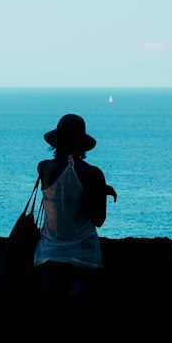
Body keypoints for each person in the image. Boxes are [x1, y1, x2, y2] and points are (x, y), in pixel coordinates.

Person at [34, 112, 116, 304]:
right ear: (82, 144)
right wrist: (100, 191)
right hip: (83, 255)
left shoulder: (43, 168)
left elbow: (64, 185)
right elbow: (99, 219)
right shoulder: (94, 174)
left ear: (55, 142)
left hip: (48, 253)